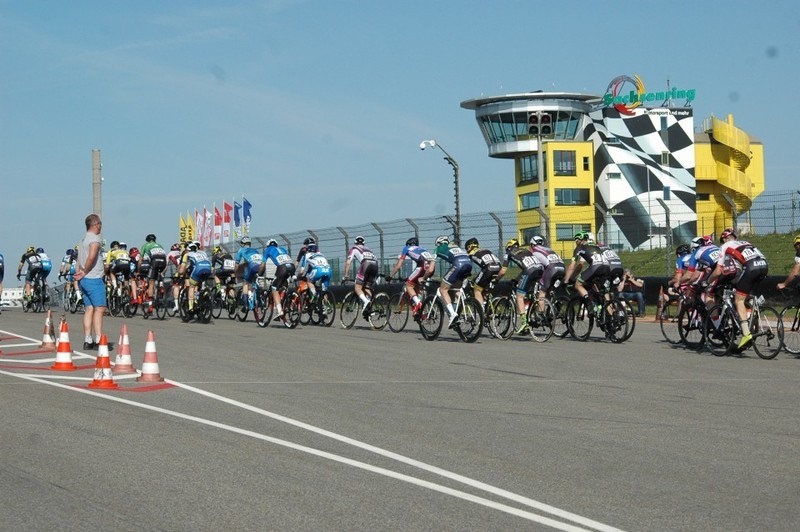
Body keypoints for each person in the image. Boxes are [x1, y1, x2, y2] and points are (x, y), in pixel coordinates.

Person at [706, 227, 769, 349]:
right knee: (748, 296)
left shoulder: (724, 246)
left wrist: (708, 281)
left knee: (738, 300)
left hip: (751, 267)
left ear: (724, 239)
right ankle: (753, 312)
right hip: (764, 265)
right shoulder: (745, 242)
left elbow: (718, 271)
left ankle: (746, 333)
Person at [73, 214, 108, 350]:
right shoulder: (94, 240)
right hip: (93, 278)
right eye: (100, 224)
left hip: (84, 280)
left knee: (89, 309)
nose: (100, 226)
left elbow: (78, 259)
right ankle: (99, 339)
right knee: (99, 309)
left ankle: (88, 339)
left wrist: (79, 273)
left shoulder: (83, 240)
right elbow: (92, 257)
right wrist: (85, 271)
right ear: (95, 225)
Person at [498, 238, 544, 334]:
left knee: (519, 296)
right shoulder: (525, 251)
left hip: (530, 270)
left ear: (508, 248)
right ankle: (535, 313)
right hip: (540, 269)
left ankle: (524, 323)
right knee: (532, 293)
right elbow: (524, 270)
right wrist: (516, 280)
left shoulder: (509, 253)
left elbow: (503, 272)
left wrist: (496, 279)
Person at [386, 237, 435, 316]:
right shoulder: (422, 248)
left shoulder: (406, 248)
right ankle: (421, 311)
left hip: (421, 267)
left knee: (409, 285)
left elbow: (399, 265)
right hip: (431, 267)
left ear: (408, 244)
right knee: (416, 285)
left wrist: (390, 276)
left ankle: (418, 304)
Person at [564, 231, 610, 314]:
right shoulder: (595, 246)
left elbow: (572, 267)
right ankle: (611, 316)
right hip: (607, 267)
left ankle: (590, 304)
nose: (576, 243)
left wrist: (566, 280)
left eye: (576, 241)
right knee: (603, 291)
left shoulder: (579, 248)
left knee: (578, 284)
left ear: (580, 240)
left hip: (596, 267)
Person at [433, 235, 473, 327]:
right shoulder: (456, 247)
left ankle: (453, 315)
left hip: (458, 265)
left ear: (438, 244)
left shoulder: (438, 249)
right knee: (456, 289)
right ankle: (462, 310)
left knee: (443, 289)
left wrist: (425, 277)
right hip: (468, 264)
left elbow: (431, 268)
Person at [342, 235, 379, 318]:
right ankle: (370, 306)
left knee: (357, 287)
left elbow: (348, 262)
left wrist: (346, 275)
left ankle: (366, 302)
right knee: (366, 287)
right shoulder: (369, 249)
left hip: (366, 264)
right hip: (375, 265)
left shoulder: (354, 248)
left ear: (355, 243)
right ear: (363, 243)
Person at [259, 239, 296, 319]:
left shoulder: (268, 250)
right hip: (291, 266)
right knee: (284, 284)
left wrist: (259, 274)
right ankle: (286, 302)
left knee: (274, 289)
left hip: (282, 268)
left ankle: (279, 311)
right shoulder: (282, 249)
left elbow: (262, 265)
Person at [177, 240, 212, 314]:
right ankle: (203, 295)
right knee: (199, 282)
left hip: (198, 270)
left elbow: (182, 269)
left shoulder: (187, 254)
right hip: (208, 269)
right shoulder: (203, 253)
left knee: (192, 286)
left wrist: (179, 273)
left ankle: (191, 307)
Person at [464, 237, 501, 307]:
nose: (467, 251)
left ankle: (482, 310)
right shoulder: (486, 250)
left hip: (488, 268)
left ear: (469, 246)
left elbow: (467, 265)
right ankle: (488, 304)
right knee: (482, 286)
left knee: (476, 289)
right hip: (498, 268)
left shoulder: (471, 253)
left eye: (467, 249)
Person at [529, 235, 566, 303]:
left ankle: (541, 313)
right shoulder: (548, 249)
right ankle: (551, 307)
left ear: (532, 245)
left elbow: (541, 265)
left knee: (542, 293)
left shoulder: (534, 251)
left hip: (552, 269)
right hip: (562, 268)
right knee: (549, 290)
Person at [139, 234, 168, 313]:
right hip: (163, 261)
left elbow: (140, 260)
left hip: (154, 261)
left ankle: (150, 305)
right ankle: (161, 285)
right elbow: (165, 258)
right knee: (160, 274)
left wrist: (139, 270)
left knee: (151, 282)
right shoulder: (160, 245)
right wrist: (163, 271)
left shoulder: (145, 245)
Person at [235, 236, 263, 309]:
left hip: (252, 265)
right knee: (255, 281)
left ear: (243, 244)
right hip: (261, 266)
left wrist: (234, 273)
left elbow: (236, 265)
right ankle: (259, 299)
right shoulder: (255, 250)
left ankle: (246, 304)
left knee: (246, 282)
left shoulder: (241, 250)